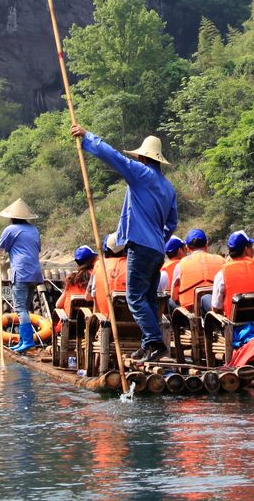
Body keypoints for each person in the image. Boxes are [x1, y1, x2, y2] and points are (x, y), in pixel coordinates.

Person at [71, 124, 178, 362]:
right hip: (157, 249)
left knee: (134, 297)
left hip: (140, 246)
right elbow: (172, 223)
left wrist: (88, 137)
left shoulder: (140, 174)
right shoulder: (168, 187)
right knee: (148, 298)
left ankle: (154, 342)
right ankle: (147, 344)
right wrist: (160, 240)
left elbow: (114, 157)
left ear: (142, 157)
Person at [0, 199, 44, 352]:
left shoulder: (10, 230)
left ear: (12, 217)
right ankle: (22, 340)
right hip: (35, 272)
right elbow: (36, 248)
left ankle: (27, 341)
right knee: (25, 307)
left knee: (20, 309)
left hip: (21, 272)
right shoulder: (34, 230)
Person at [171, 228, 223, 312]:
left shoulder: (180, 264)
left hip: (191, 309)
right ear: (206, 245)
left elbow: (174, 297)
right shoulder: (221, 260)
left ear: (187, 248)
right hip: (217, 309)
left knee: (170, 301)